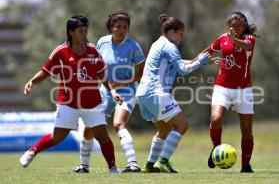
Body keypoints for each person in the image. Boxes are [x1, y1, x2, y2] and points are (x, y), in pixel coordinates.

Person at [19, 15, 122, 173]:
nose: (84, 34)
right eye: (81, 31)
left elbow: (103, 76)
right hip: (68, 103)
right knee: (57, 137)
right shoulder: (61, 51)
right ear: (71, 32)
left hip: (92, 102)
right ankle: (31, 151)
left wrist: (113, 91)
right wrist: (32, 81)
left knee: (103, 137)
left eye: (86, 31)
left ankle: (113, 168)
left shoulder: (93, 50)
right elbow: (45, 71)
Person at [136, 14, 210, 173]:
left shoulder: (159, 43)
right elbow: (183, 71)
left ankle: (149, 165)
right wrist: (200, 62)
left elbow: (179, 63)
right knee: (182, 125)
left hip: (143, 94)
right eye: (180, 33)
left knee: (164, 130)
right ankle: (163, 161)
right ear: (170, 32)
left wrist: (200, 59)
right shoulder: (170, 46)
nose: (183, 36)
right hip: (156, 92)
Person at [73, 10, 145, 173]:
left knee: (118, 124)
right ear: (111, 27)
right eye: (118, 26)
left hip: (126, 91)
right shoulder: (102, 42)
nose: (121, 30)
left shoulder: (133, 47)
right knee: (89, 127)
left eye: (125, 27)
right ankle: (84, 166)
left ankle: (132, 163)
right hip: (105, 92)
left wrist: (121, 82)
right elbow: (95, 65)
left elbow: (142, 71)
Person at [206, 11, 258, 173]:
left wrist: (233, 39)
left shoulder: (249, 39)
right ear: (228, 26)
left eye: (238, 27)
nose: (234, 29)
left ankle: (245, 165)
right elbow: (209, 51)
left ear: (243, 26)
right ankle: (216, 148)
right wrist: (196, 61)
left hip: (244, 90)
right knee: (216, 118)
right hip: (222, 87)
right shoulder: (222, 38)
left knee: (246, 130)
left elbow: (244, 46)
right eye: (231, 27)